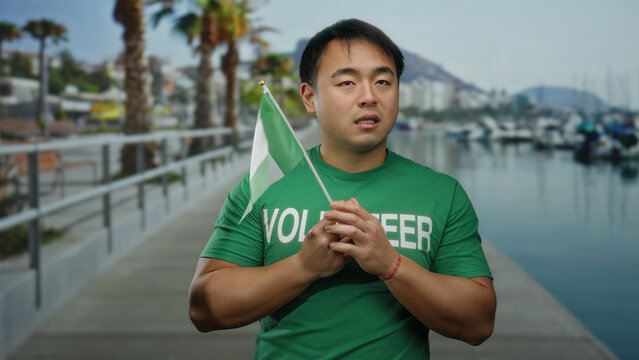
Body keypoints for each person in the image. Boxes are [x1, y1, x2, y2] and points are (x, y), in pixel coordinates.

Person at [188, 18, 496, 359]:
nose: (369, 97)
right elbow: (204, 309)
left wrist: (390, 264)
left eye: (383, 81)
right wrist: (303, 267)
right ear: (309, 97)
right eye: (347, 82)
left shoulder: (442, 193)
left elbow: (478, 322)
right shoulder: (264, 185)